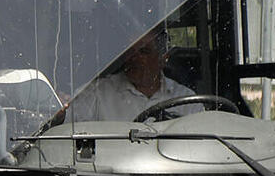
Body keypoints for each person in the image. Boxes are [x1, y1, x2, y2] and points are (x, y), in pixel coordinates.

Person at [66, 28, 200, 122]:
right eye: (129, 51)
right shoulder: (96, 94)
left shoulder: (187, 101)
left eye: (143, 51)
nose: (134, 57)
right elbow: (67, 127)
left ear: (163, 58)